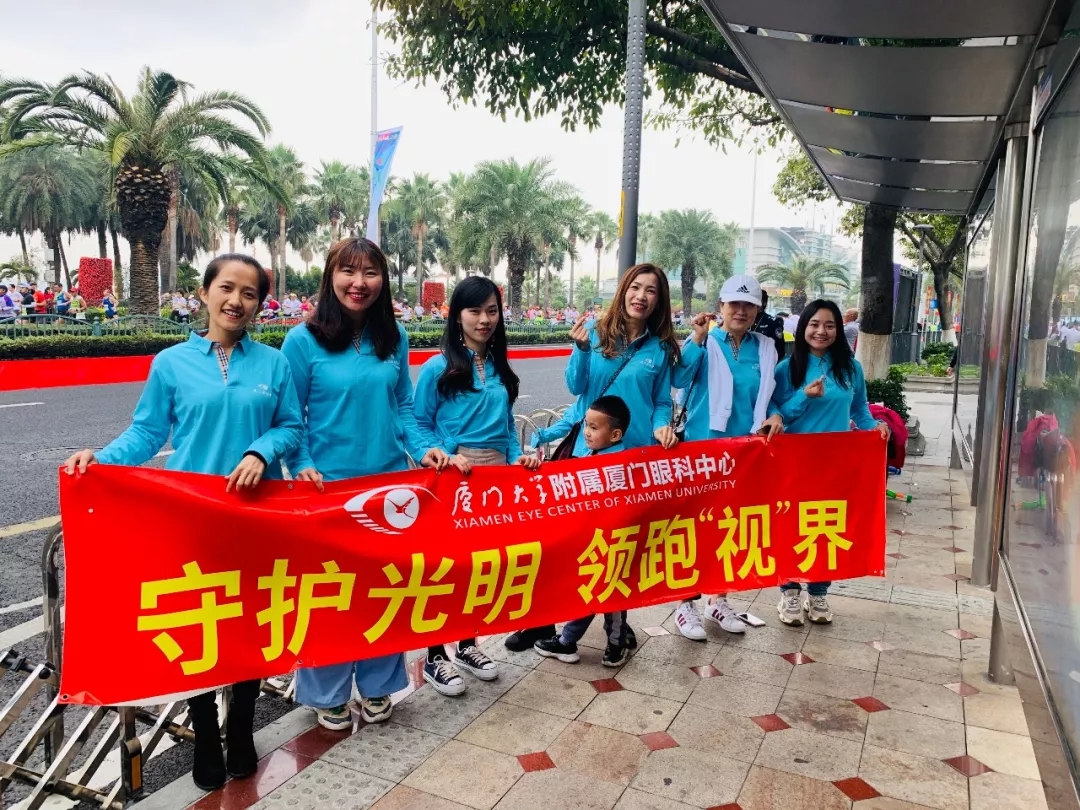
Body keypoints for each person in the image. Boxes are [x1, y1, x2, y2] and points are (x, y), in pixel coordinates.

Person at [62, 253, 303, 791]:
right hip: (192, 517)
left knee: (249, 623)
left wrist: (261, 451)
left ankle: (241, 725)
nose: (236, 301)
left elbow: (290, 427)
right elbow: (147, 433)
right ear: (204, 292)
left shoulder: (274, 363)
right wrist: (100, 460)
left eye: (249, 293)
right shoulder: (171, 363)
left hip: (255, 518)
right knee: (201, 624)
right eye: (227, 288)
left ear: (260, 305)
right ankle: (206, 733)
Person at [281, 237, 450, 731]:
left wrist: (424, 448)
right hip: (327, 491)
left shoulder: (393, 336)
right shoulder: (302, 340)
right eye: (348, 272)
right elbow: (290, 415)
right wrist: (302, 462)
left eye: (370, 273)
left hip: (389, 489)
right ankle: (326, 690)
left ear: (383, 280)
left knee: (384, 587)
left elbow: (404, 406)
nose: (359, 283)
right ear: (330, 277)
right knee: (330, 594)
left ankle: (378, 683)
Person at [504, 262, 681, 653]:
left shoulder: (659, 347)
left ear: (659, 300)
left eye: (651, 290)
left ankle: (616, 623)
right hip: (586, 460)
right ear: (624, 290)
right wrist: (583, 350)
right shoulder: (596, 333)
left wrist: (661, 427)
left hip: (631, 463)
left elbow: (660, 401)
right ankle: (540, 621)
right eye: (635, 287)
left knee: (619, 546)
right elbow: (575, 386)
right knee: (565, 544)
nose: (641, 296)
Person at [414, 276, 541, 696]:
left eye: (491, 311)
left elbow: (505, 427)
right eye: (475, 311)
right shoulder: (437, 368)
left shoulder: (500, 367)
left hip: (494, 482)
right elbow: (417, 423)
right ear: (457, 316)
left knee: (478, 567)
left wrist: (519, 457)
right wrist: (443, 453)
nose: (484, 319)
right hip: (452, 479)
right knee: (444, 568)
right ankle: (435, 655)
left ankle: (467, 645)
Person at [672, 275, 785, 640]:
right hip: (703, 451)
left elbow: (770, 395)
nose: (741, 310)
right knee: (695, 528)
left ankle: (718, 600)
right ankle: (685, 603)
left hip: (744, 454)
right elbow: (678, 379)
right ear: (720, 306)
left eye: (749, 305)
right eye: (734, 303)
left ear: (757, 310)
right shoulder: (704, 340)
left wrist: (776, 415)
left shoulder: (765, 348)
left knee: (729, 528)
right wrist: (697, 339)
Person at [772, 300, 889, 625]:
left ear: (838, 330)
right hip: (794, 463)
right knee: (792, 527)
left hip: (834, 465)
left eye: (829, 325)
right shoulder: (787, 368)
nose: (821, 331)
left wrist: (875, 427)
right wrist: (803, 396)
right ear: (803, 328)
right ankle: (789, 592)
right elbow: (776, 413)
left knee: (825, 526)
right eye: (814, 324)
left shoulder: (851, 369)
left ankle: (819, 592)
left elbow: (859, 409)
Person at [534, 395, 637, 667]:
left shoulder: (616, 464)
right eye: (586, 426)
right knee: (593, 591)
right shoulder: (597, 456)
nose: (586, 433)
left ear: (615, 435)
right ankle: (570, 641)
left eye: (594, 427)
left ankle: (615, 643)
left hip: (612, 543)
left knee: (611, 596)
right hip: (594, 543)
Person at [752, 290, 787, 360]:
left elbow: (779, 347)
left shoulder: (773, 322)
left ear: (764, 303)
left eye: (757, 301)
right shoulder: (746, 319)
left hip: (766, 359)